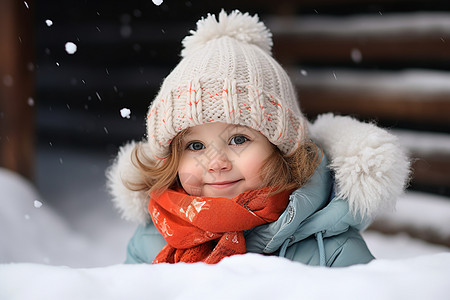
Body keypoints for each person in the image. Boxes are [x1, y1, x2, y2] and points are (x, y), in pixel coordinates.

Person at [107, 10, 410, 266]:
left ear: (281, 148)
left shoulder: (332, 252)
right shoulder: (151, 240)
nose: (215, 163)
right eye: (195, 145)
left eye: (238, 139)